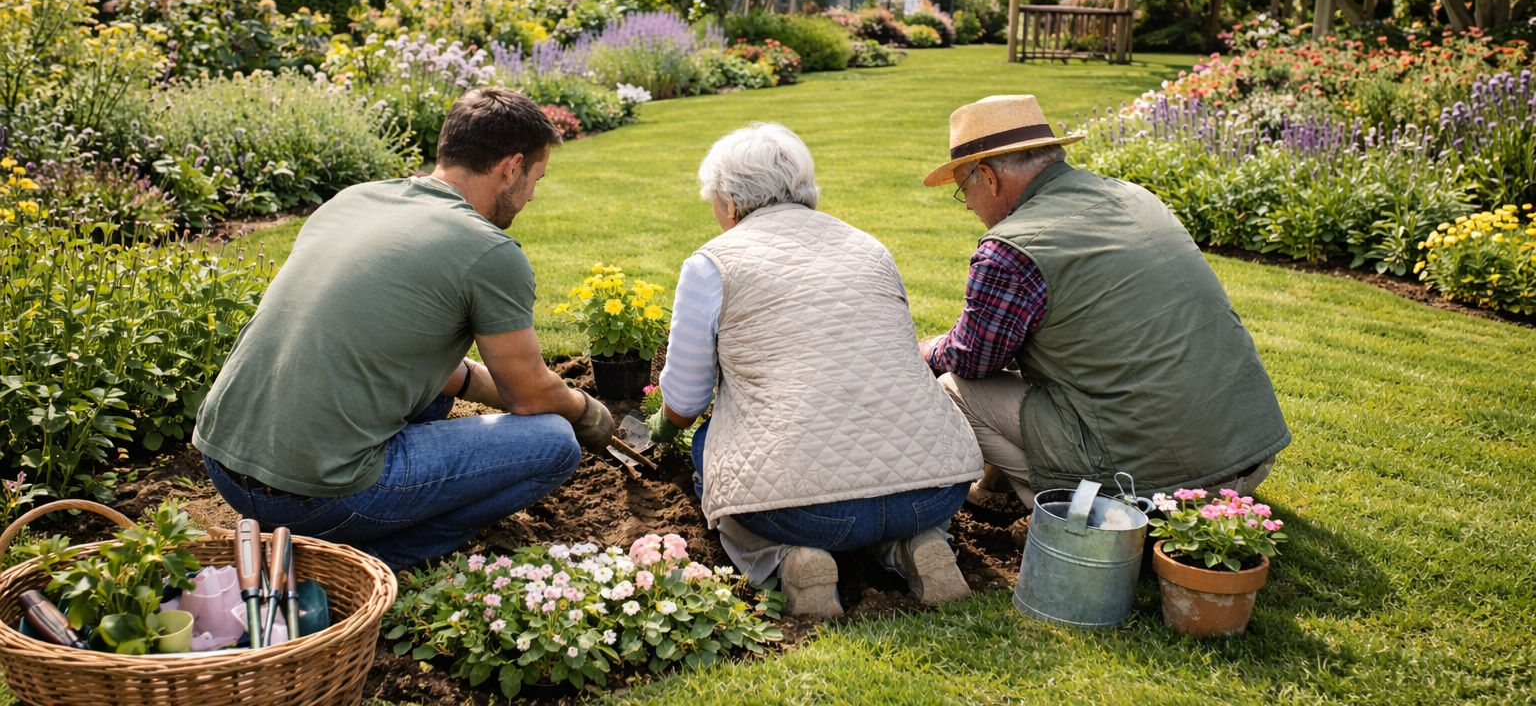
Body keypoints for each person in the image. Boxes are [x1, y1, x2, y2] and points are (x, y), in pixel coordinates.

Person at [193, 88, 614, 571]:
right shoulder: (489, 251)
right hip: (316, 499)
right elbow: (529, 395)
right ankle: (368, 562)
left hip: (225, 464)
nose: (533, 194)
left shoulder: (356, 200)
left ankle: (336, 533)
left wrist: (483, 384)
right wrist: (584, 411)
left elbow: (405, 353)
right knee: (553, 443)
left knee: (433, 392)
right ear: (512, 167)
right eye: (536, 178)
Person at [646, 123, 983, 616]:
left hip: (804, 514)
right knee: (882, 489)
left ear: (730, 203)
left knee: (708, 447)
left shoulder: (711, 265)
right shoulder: (869, 247)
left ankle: (790, 560)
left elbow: (686, 400)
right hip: (933, 492)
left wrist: (661, 425)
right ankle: (917, 545)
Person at [919, 95, 1291, 510]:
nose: (969, 204)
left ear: (988, 178)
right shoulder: (1134, 196)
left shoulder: (1011, 248)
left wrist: (923, 350)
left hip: (1162, 482)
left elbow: (972, 359)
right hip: (1249, 454)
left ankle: (1063, 516)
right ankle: (995, 490)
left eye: (963, 190)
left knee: (954, 388)